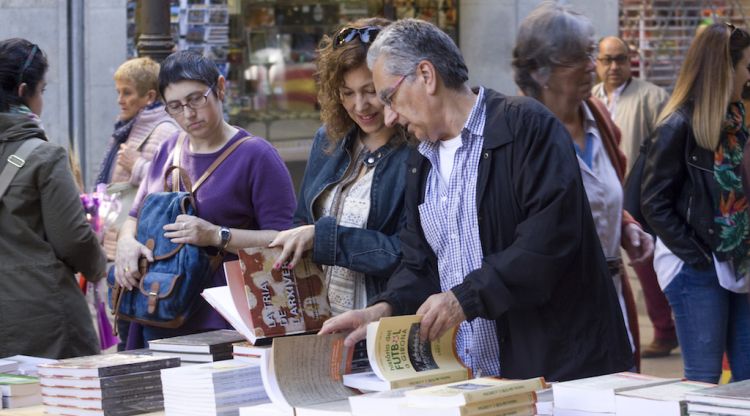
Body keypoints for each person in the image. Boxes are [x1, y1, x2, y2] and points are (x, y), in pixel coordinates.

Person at [320, 18, 632, 381]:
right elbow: (421, 262)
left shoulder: (526, 127)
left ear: (426, 75)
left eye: (389, 96)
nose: (388, 114)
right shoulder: (420, 159)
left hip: (556, 372)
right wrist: (384, 308)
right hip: (478, 379)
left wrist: (463, 300)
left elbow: (547, 245)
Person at [114, 50, 296, 348]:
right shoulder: (169, 148)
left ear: (220, 88)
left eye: (196, 99)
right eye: (175, 106)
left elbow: (284, 241)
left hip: (224, 318)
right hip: (158, 309)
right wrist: (125, 244)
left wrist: (215, 235)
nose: (188, 114)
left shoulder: (257, 156)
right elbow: (134, 217)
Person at [512, 3, 654, 371]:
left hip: (612, 298)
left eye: (592, 53)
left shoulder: (600, 118)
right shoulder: (518, 134)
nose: (594, 65)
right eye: (580, 57)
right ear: (542, 71)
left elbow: (600, 194)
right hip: (556, 312)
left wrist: (623, 226)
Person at [269, 18, 412, 315]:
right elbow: (301, 221)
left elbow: (411, 254)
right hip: (320, 320)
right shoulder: (329, 139)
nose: (360, 106)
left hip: (381, 321)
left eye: (370, 90)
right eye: (347, 93)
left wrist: (325, 239)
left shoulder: (417, 149)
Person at [641, 23, 750, 383]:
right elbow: (653, 203)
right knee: (703, 379)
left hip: (737, 262)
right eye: (746, 66)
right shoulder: (678, 124)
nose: (749, 76)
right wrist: (698, 257)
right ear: (726, 70)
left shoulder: (736, 123)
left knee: (747, 376)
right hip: (695, 268)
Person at [0, 38, 107, 358]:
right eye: (42, 90)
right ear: (23, 91)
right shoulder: (44, 157)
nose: (42, 100)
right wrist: (100, 267)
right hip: (41, 317)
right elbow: (73, 240)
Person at [591, 36, 678, 359]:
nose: (614, 67)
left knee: (647, 265)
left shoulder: (652, 97)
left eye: (620, 60)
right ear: (597, 63)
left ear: (631, 62)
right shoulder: (590, 98)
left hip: (642, 196)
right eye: (607, 60)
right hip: (602, 200)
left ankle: (665, 332)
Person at [96, 57, 180, 261]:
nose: (120, 99)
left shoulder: (165, 130)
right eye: (118, 92)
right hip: (118, 232)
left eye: (127, 92)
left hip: (139, 240)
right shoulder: (128, 127)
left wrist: (137, 165)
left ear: (150, 96)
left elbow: (173, 182)